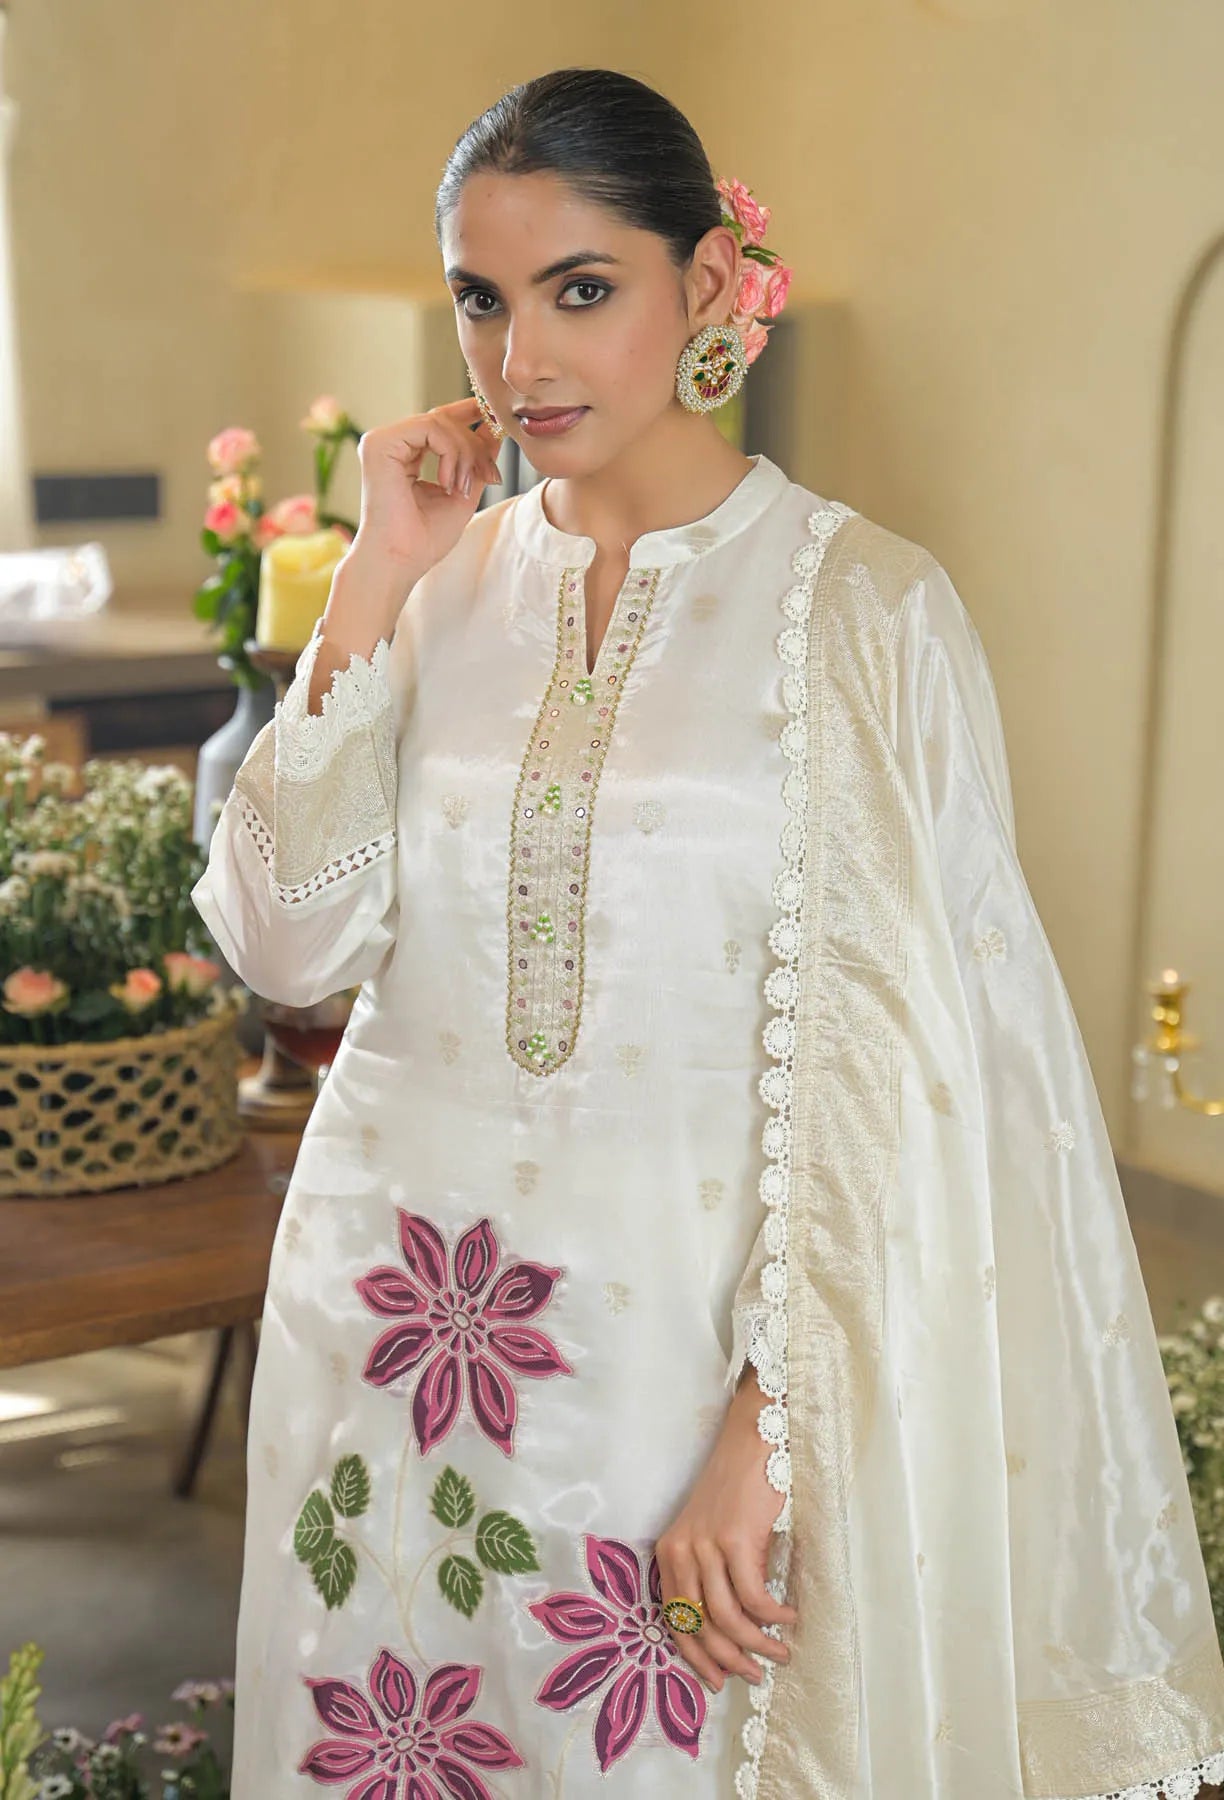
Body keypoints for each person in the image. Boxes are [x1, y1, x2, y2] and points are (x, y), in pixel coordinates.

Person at [193, 66, 1224, 1800]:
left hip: (684, 1362)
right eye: (481, 298)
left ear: (710, 289)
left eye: (580, 290)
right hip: (393, 1331)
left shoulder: (861, 607)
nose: (520, 361)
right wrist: (377, 568)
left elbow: (920, 1071)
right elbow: (290, 952)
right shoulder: (436, 587)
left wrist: (778, 1429)